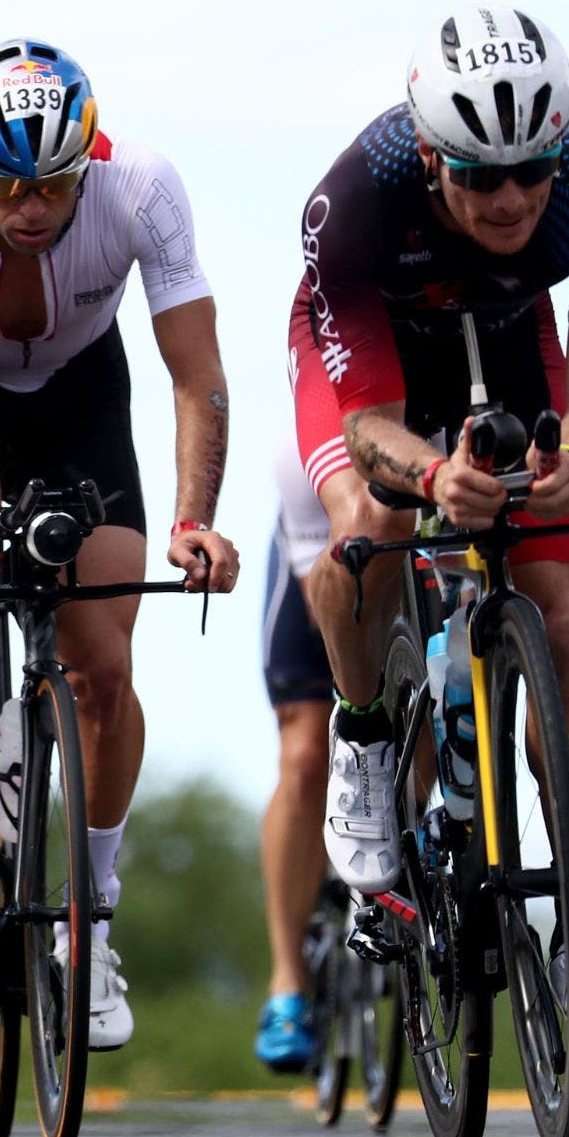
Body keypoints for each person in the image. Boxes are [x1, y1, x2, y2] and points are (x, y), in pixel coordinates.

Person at [0, 38, 240, 1053]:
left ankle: (92, 920)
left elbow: (195, 375)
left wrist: (195, 521)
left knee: (104, 670)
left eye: (53, 185)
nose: (31, 208)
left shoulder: (142, 189)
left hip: (80, 399)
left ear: (88, 164)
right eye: (9, 187)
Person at [289, 5, 569, 1052]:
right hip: (373, 359)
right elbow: (362, 429)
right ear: (433, 155)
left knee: (563, 621)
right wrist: (435, 473)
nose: (510, 197)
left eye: (532, 171)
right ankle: (362, 739)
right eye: (480, 176)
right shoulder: (351, 199)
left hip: (508, 333)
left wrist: (564, 464)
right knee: (363, 530)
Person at [254, 446, 337, 1071]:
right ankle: (287, 982)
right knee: (307, 754)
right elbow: (328, 610)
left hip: (433, 559)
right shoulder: (307, 444)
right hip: (323, 559)